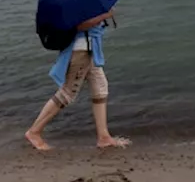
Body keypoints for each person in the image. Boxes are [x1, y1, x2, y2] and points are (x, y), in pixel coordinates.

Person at [24, 9, 130, 151]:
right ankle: (34, 132)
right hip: (80, 50)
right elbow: (78, 25)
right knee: (68, 93)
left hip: (91, 48)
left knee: (100, 87)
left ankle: (103, 137)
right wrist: (105, 15)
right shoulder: (74, 2)